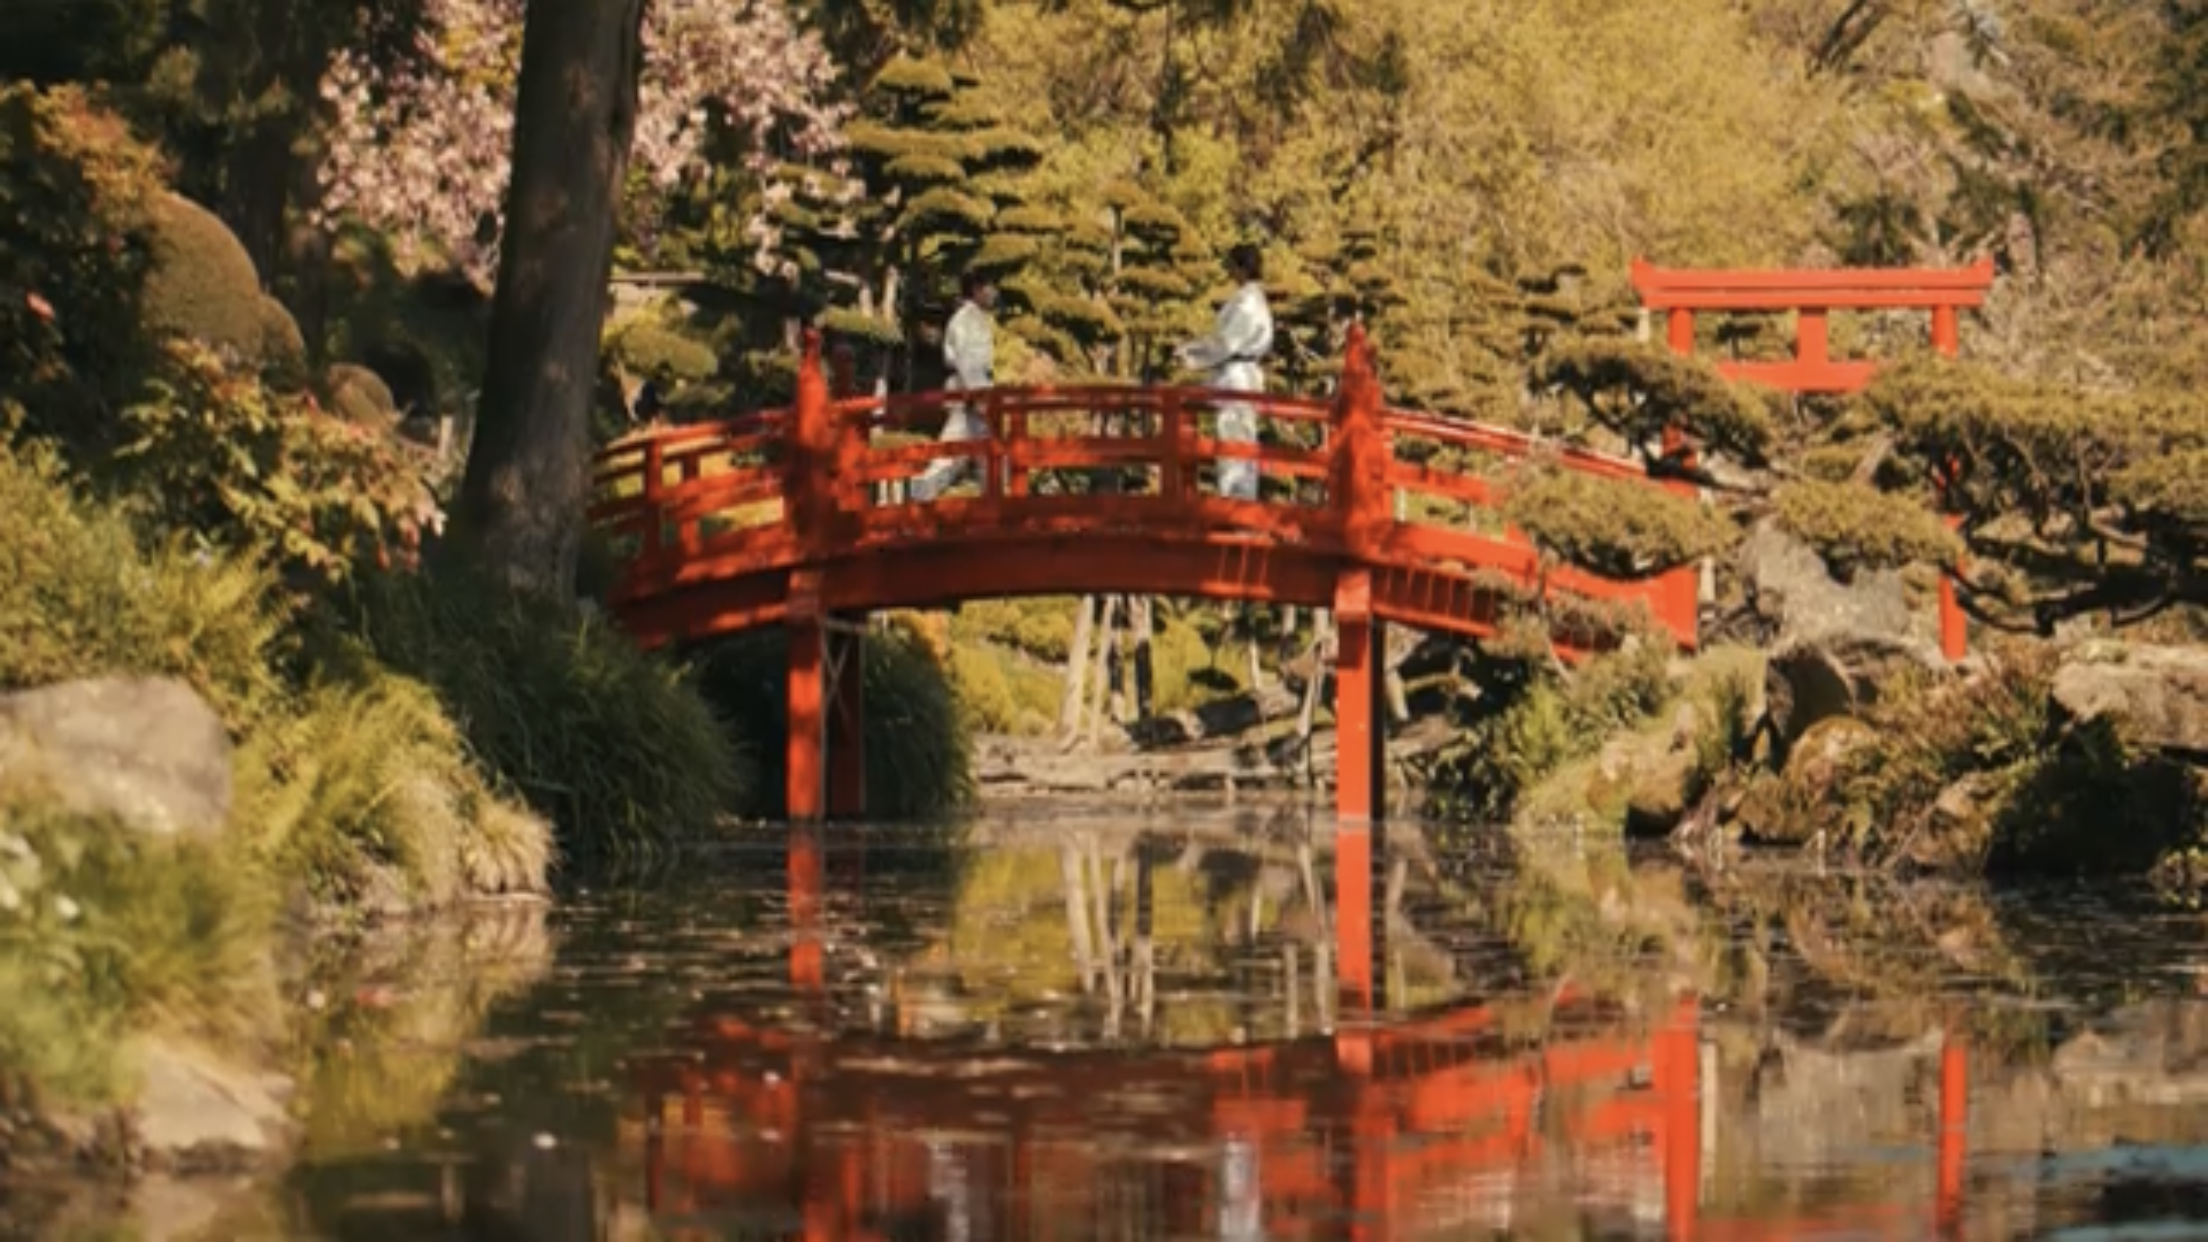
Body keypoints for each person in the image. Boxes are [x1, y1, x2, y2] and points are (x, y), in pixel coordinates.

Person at [1176, 244, 1274, 501]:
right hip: (1238, 373)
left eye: (1231, 265)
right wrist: (1192, 349)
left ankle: (1236, 503)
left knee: (1234, 440)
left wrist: (1191, 355)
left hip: (1237, 377)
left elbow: (1226, 343)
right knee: (1237, 439)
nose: (1229, 271)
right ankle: (1237, 500)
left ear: (1241, 267)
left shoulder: (1248, 302)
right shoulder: (1249, 298)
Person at [911, 270, 997, 502]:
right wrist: (980, 400)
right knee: (953, 458)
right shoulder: (967, 320)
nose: (994, 293)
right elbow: (969, 363)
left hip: (971, 397)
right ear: (977, 290)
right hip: (969, 399)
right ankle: (918, 499)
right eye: (990, 287)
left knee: (988, 461)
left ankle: (995, 513)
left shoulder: (972, 318)